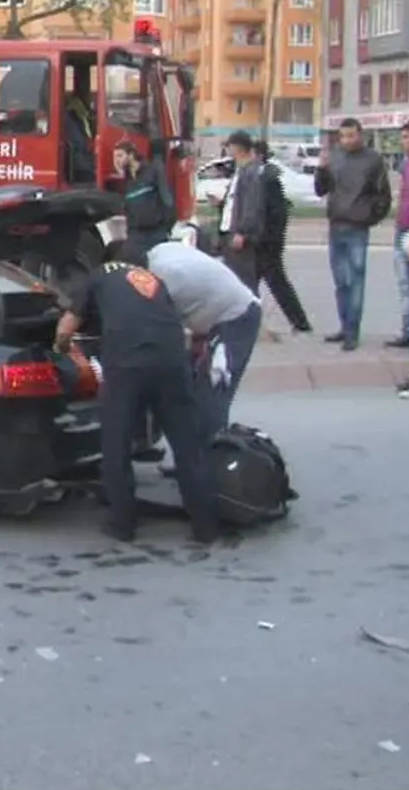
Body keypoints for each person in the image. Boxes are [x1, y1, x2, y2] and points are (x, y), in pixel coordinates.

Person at [54, 246, 219, 544]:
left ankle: (123, 523)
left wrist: (62, 350)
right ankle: (205, 525)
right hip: (172, 362)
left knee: (116, 444)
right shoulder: (154, 281)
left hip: (128, 365)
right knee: (187, 445)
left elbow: (67, 328)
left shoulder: (97, 276)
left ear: (106, 260)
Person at [138, 236, 261, 443]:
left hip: (235, 318)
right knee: (192, 391)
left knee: (212, 391)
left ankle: (211, 461)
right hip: (214, 315)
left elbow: (158, 328)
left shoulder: (165, 279)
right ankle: (193, 460)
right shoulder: (160, 250)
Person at [315, 117, 393, 351]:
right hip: (336, 225)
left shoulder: (373, 159)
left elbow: (383, 195)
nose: (347, 140)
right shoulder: (336, 156)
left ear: (360, 135)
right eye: (343, 136)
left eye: (351, 136)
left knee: (355, 280)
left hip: (357, 227)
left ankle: (352, 332)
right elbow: (321, 190)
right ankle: (344, 326)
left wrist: (369, 217)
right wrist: (321, 169)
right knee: (341, 282)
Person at [252, 140, 311, 334]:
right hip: (261, 240)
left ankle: (300, 323)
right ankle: (299, 322)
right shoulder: (257, 177)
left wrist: (270, 239)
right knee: (252, 283)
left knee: (276, 283)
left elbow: (275, 213)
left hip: (267, 242)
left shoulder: (268, 179)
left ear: (259, 156)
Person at [216, 131, 265, 291]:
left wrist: (242, 233)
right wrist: (221, 204)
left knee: (243, 282)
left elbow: (252, 205)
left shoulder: (251, 172)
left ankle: (250, 312)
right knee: (234, 279)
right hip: (231, 231)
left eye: (229, 146)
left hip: (241, 236)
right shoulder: (241, 170)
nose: (227, 150)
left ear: (238, 148)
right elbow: (236, 202)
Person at [388, 121, 409, 353]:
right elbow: (403, 192)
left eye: (407, 137)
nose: (403, 141)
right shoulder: (406, 164)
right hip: (403, 228)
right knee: (404, 283)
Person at [114, 142, 174, 253]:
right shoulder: (126, 181)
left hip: (156, 232)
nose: (116, 160)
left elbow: (167, 199)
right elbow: (127, 207)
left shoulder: (152, 171)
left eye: (120, 155)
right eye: (115, 157)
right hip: (136, 235)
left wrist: (166, 227)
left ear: (131, 155)